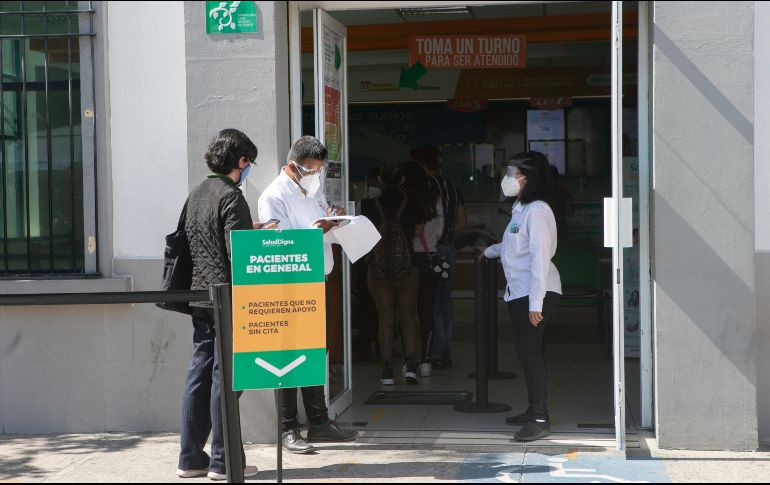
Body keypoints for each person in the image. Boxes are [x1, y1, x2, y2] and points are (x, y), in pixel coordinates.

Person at [178, 129, 272, 481]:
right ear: (241, 161)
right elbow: (238, 251)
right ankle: (224, 461)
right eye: (249, 163)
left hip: (199, 295)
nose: (249, 170)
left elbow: (202, 240)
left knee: (198, 373)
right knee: (226, 376)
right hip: (228, 298)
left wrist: (249, 227)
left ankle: (190, 458)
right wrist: (257, 236)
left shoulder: (198, 193)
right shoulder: (232, 196)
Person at [258, 135, 358, 455]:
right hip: (290, 286)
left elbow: (320, 219)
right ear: (291, 167)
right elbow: (279, 243)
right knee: (288, 357)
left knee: (315, 353)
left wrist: (335, 218)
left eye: (319, 171)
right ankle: (288, 428)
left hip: (318, 281)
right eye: (310, 171)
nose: (316, 176)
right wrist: (321, 230)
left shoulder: (310, 189)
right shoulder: (273, 196)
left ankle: (319, 421)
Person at [482, 151, 562, 442]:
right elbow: (513, 244)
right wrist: (488, 251)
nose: (508, 178)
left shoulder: (538, 210)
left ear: (528, 178)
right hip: (520, 292)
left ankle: (540, 418)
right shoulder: (521, 209)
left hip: (535, 292)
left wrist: (535, 303)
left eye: (512, 173)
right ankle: (533, 410)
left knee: (531, 354)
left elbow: (540, 257)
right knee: (528, 352)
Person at [362, 164, 425, 385]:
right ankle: (410, 367)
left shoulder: (369, 204)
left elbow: (365, 234)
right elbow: (418, 231)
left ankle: (387, 369)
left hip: (378, 269)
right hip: (407, 267)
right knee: (408, 317)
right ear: (402, 180)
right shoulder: (412, 203)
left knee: (385, 318)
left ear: (380, 179)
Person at [411, 146, 467, 370]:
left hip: (428, 250)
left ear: (420, 165)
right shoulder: (452, 187)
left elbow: (422, 223)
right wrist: (446, 233)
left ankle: (435, 351)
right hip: (448, 248)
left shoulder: (426, 187)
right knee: (446, 302)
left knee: (431, 302)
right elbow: (463, 222)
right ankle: (444, 351)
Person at [402, 160, 442, 378]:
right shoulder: (434, 200)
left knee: (406, 314)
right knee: (427, 312)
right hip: (429, 257)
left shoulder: (404, 201)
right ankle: (426, 361)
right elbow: (441, 229)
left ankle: (408, 361)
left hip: (407, 260)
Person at [546, 165, 574, 240]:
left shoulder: (564, 191)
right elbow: (570, 212)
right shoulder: (540, 193)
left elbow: (570, 212)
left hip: (558, 226)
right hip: (548, 226)